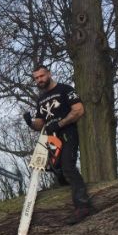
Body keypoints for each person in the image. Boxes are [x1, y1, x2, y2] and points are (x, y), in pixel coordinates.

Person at [23, 65, 92, 224]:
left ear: (49, 74)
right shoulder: (40, 100)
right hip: (52, 139)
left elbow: (79, 110)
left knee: (68, 166)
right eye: (36, 78)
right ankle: (66, 204)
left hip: (68, 133)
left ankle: (83, 206)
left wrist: (60, 124)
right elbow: (41, 124)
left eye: (42, 76)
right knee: (58, 170)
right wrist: (30, 123)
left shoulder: (65, 89)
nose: (39, 79)